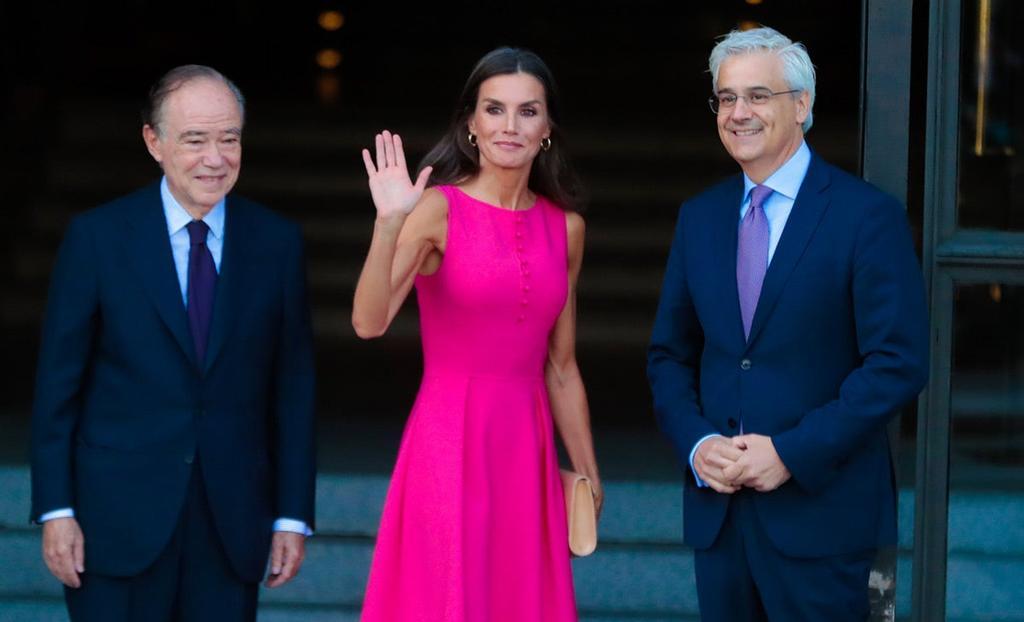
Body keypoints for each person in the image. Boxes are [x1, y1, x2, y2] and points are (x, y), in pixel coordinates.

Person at [647, 27, 929, 621]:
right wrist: (698, 446)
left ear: (801, 105)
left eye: (758, 96)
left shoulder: (865, 216)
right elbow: (669, 356)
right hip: (720, 521)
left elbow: (898, 363)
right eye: (726, 98)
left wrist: (792, 453)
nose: (738, 113)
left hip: (824, 522)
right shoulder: (699, 219)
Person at [30, 64, 316, 622]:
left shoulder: (277, 243)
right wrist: (56, 508)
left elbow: (293, 388)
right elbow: (57, 385)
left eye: (229, 138)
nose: (216, 157)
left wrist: (290, 516)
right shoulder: (98, 238)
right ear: (153, 142)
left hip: (232, 523)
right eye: (195, 140)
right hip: (113, 523)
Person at [352, 47, 602, 621]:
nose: (509, 126)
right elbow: (368, 322)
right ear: (471, 122)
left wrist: (587, 470)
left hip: (527, 446)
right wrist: (388, 224)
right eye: (494, 109)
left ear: (547, 128)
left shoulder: (567, 228)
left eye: (527, 111)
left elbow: (561, 366)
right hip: (448, 442)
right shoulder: (436, 210)